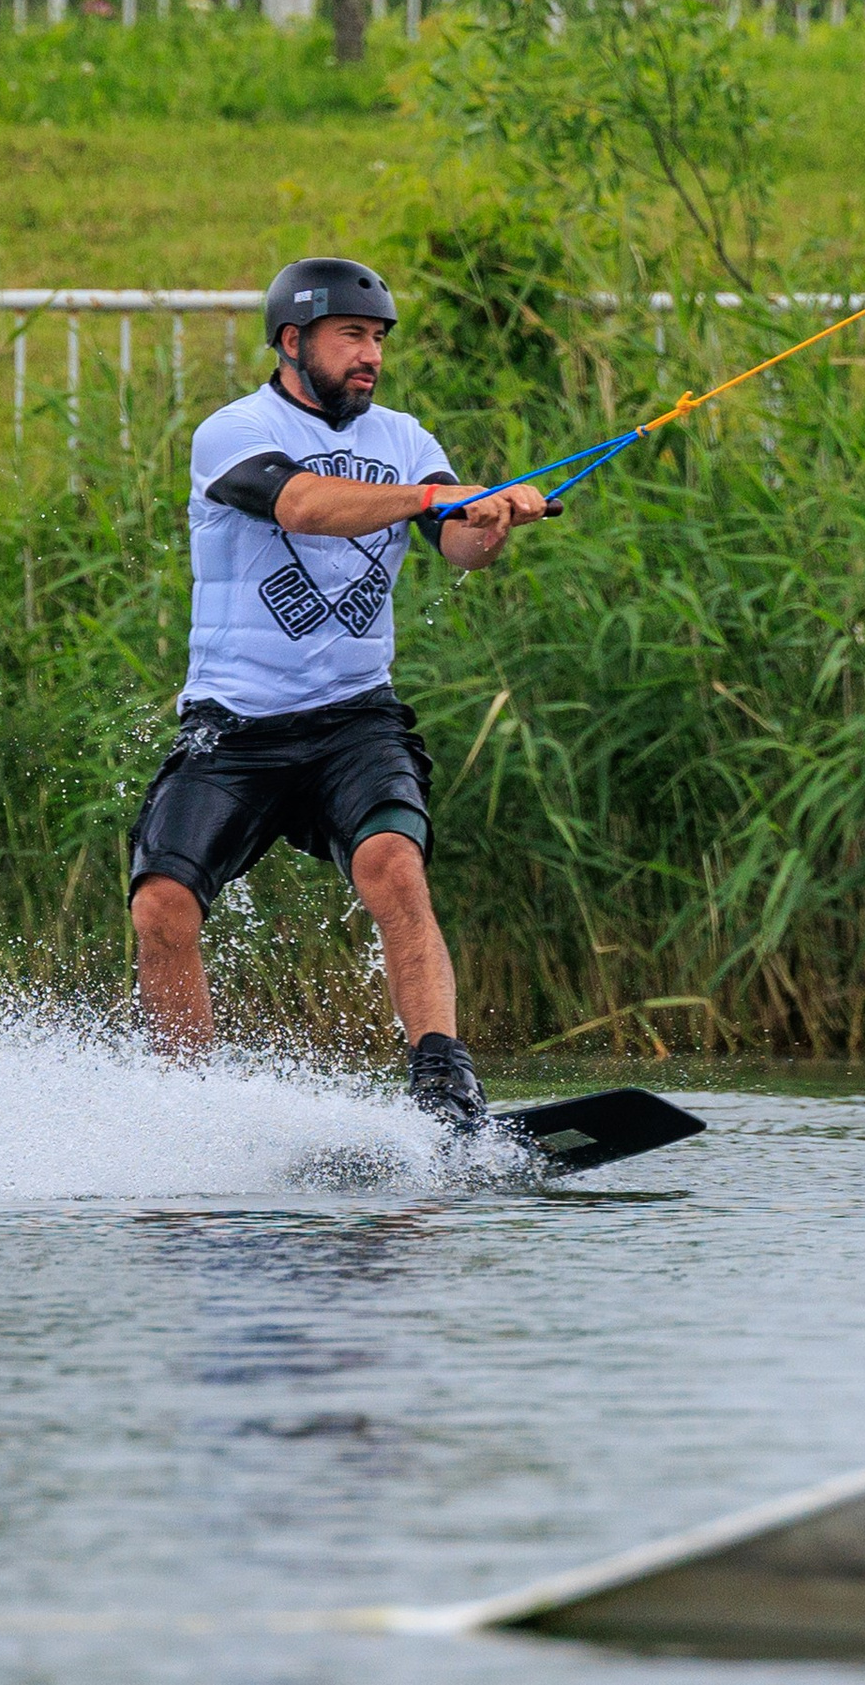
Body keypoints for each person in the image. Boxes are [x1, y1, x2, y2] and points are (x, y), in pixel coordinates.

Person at [127, 255, 550, 1128]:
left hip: (356, 718)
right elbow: (303, 507)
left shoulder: (403, 438)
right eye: (352, 336)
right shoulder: (233, 431)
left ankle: (444, 1088)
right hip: (233, 726)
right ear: (292, 343)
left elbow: (459, 550)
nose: (371, 356)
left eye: (379, 339)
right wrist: (438, 495)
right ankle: (184, 1115)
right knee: (160, 904)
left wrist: (492, 519)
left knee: (393, 864)